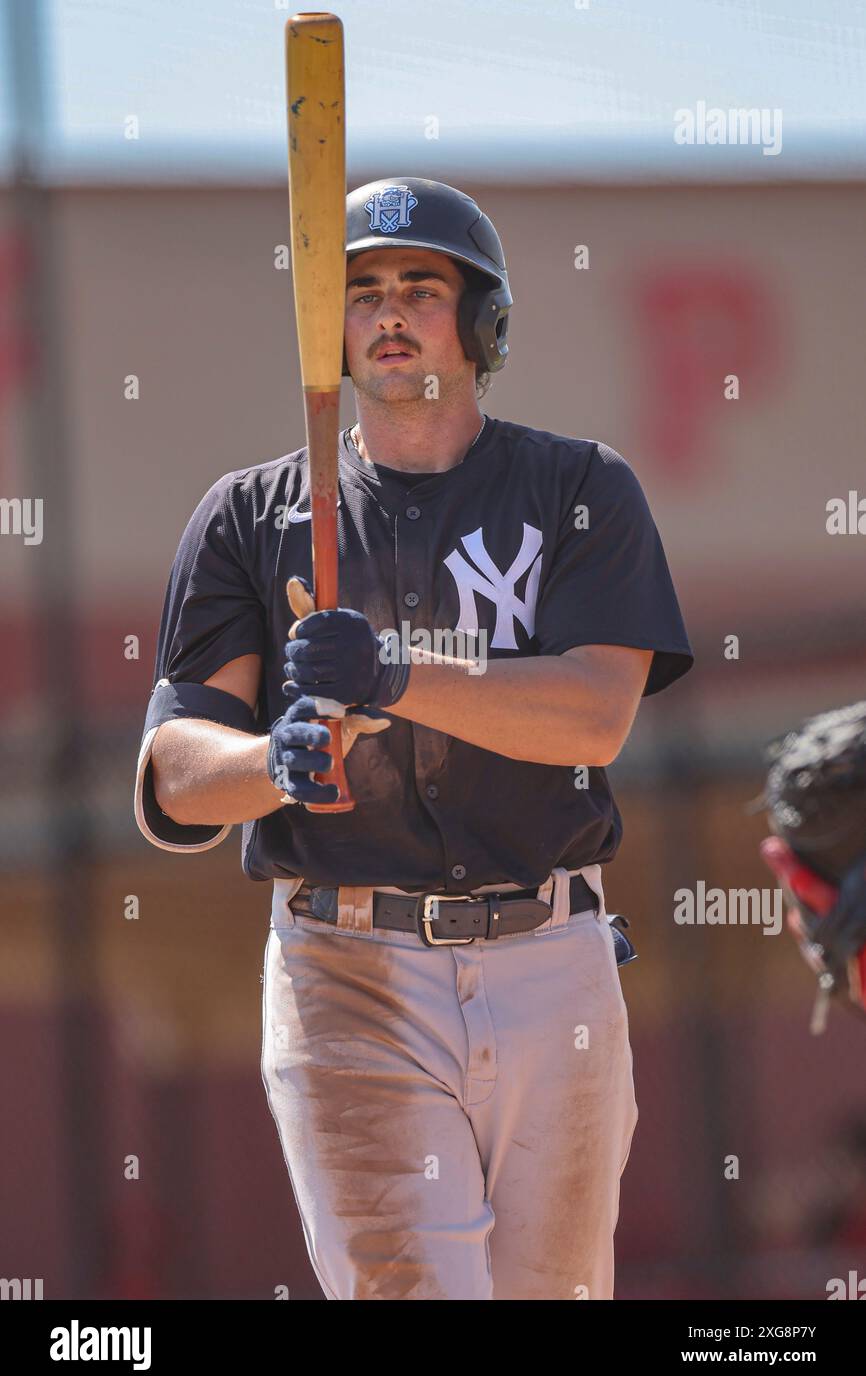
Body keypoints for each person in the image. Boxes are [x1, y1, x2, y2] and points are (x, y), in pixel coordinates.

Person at [134, 176, 694, 1300]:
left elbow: (592, 713)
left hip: (551, 956)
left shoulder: (580, 488)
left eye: (419, 287)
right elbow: (172, 777)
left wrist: (394, 673)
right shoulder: (249, 516)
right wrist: (268, 761)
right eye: (361, 291)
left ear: (482, 323)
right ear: (326, 330)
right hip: (347, 964)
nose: (387, 312)